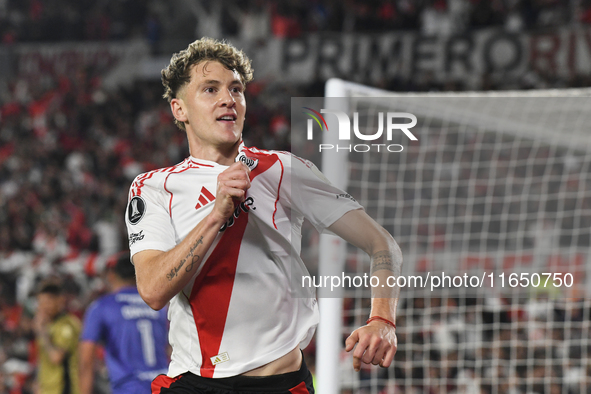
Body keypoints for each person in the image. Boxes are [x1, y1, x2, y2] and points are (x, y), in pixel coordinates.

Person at [125, 37, 402, 393]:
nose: (228, 99)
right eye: (210, 89)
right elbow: (152, 291)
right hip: (193, 382)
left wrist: (382, 318)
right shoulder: (153, 187)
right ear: (180, 110)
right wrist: (216, 215)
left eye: (236, 89)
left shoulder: (283, 169)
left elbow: (383, 245)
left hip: (280, 382)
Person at [79, 252, 169, 394]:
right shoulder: (160, 306)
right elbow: (170, 348)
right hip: (164, 385)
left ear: (111, 275)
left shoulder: (102, 306)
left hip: (128, 387)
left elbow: (86, 360)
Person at [34, 279, 82, 394]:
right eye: (41, 303)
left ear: (59, 301)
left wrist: (41, 332)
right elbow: (44, 361)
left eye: (47, 303)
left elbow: (56, 357)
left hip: (64, 389)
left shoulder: (68, 324)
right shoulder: (49, 325)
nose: (43, 307)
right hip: (48, 389)